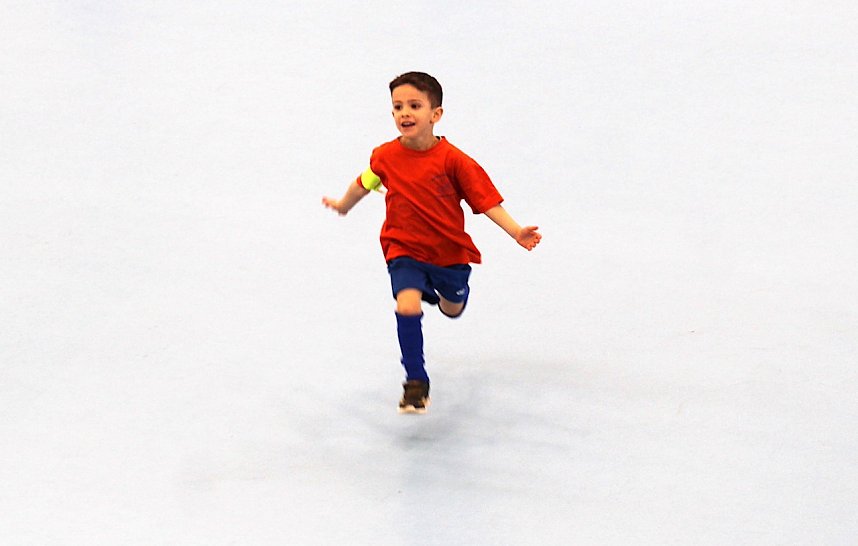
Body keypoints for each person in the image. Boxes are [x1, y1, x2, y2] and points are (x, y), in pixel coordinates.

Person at [322, 71, 541, 414]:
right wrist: (343, 205)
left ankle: (450, 295)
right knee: (406, 305)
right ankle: (415, 383)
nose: (404, 113)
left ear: (435, 114)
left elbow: (486, 201)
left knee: (451, 309)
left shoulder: (455, 161)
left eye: (414, 105)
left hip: (448, 255)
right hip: (403, 249)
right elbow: (365, 182)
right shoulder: (384, 155)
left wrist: (516, 231)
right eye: (397, 107)